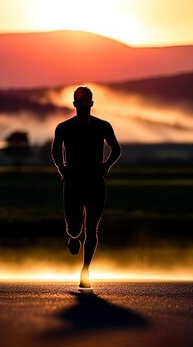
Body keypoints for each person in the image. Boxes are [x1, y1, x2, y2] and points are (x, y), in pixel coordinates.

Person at [51, 86, 121, 289]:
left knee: (92, 228)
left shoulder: (103, 126)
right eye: (78, 101)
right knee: (75, 227)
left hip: (95, 183)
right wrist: (63, 171)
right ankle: (73, 237)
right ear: (74, 104)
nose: (82, 104)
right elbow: (55, 151)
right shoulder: (63, 128)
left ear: (91, 103)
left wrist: (106, 166)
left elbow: (116, 149)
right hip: (72, 182)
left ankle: (85, 270)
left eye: (85, 100)